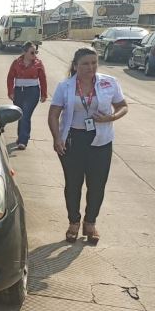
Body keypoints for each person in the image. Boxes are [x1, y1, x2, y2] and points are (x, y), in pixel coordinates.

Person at [48, 47, 128, 244]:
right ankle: (73, 222)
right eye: (85, 63)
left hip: (101, 141)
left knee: (97, 185)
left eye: (94, 62)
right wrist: (57, 138)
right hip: (73, 141)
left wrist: (112, 117)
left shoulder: (109, 82)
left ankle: (90, 223)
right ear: (75, 66)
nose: (90, 67)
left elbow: (122, 106)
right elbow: (53, 114)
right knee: (73, 185)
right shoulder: (65, 86)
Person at [6, 41, 48, 150]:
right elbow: (10, 77)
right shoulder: (16, 63)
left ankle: (23, 140)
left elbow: (43, 79)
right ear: (25, 52)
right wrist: (10, 91)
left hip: (33, 92)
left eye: (36, 52)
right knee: (20, 115)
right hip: (19, 91)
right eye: (32, 53)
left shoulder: (38, 63)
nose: (35, 55)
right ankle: (22, 136)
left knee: (26, 114)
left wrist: (44, 94)